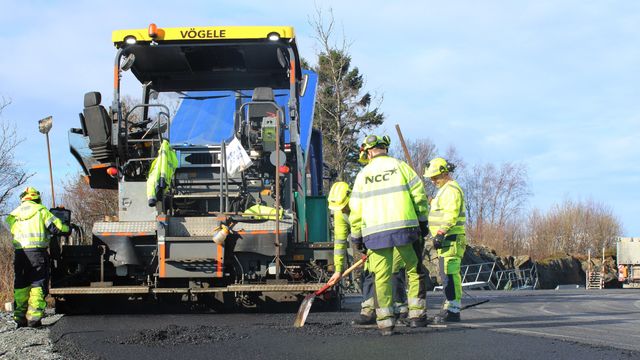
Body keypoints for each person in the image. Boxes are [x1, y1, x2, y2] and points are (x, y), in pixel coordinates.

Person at [349, 134, 430, 335]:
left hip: (375, 234)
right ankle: (417, 316)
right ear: (385, 148)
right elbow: (419, 195)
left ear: (368, 152)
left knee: (381, 277)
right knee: (414, 271)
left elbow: (355, 210)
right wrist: (422, 221)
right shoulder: (401, 167)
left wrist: (357, 236)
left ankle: (385, 323)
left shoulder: (362, 176)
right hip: (406, 229)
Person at [326, 181, 409, 326]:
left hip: (389, 239)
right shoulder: (340, 214)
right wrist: (338, 269)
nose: (343, 210)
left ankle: (400, 310)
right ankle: (368, 311)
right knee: (369, 273)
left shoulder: (367, 203)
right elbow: (339, 243)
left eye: (344, 206)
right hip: (368, 245)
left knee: (394, 271)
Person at [6, 187, 69, 328]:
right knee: (38, 284)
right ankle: (33, 318)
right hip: (37, 254)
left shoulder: (14, 214)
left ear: (23, 198)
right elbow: (58, 229)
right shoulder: (41, 211)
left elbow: (14, 229)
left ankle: (19, 317)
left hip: (20, 254)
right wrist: (67, 227)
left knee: (21, 284)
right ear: (37, 198)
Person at [424, 157, 466, 322]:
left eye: (435, 177)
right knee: (446, 273)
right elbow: (441, 208)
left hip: (451, 238)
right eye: (431, 178)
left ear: (445, 173)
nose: (433, 181)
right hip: (446, 240)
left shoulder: (451, 190)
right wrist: (431, 201)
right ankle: (450, 305)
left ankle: (453, 310)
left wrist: (441, 232)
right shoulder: (444, 190)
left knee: (450, 273)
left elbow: (450, 213)